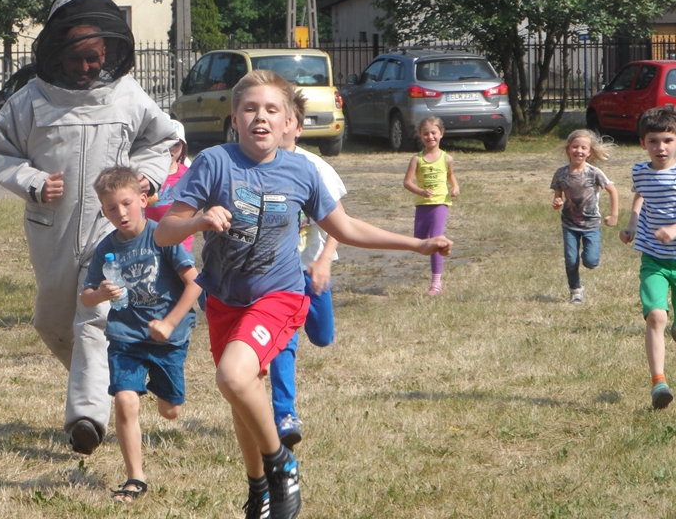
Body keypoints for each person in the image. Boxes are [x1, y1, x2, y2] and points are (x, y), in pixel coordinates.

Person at [154, 70, 452, 519]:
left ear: (290, 120)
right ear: (234, 118)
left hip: (279, 295)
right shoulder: (214, 162)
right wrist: (197, 221)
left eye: (272, 109)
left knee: (233, 377)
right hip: (224, 299)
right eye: (250, 108)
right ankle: (259, 489)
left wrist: (417, 244)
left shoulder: (303, 171)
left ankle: (281, 466)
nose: (261, 117)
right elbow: (163, 233)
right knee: (242, 395)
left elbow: (346, 228)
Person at [0, 0, 175, 455]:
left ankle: (86, 419)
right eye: (77, 59)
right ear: (57, 52)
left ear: (108, 50)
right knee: (52, 321)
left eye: (94, 58)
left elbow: (162, 142)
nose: (87, 68)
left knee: (93, 316)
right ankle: (115, 375)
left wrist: (147, 180)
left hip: (113, 230)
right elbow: (0, 150)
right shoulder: (29, 101)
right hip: (52, 230)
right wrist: (31, 180)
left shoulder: (129, 95)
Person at [80, 166, 201, 503]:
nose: (120, 213)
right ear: (103, 211)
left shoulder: (163, 236)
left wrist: (170, 323)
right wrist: (99, 294)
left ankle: (165, 393)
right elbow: (86, 296)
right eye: (111, 208)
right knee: (124, 399)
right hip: (126, 337)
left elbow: (195, 284)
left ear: (143, 200)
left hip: (168, 340)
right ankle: (135, 478)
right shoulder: (107, 249)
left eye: (126, 203)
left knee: (170, 410)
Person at [268, 90, 346, 449]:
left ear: (297, 128)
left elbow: (338, 223)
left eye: (288, 122)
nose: (279, 128)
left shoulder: (316, 169)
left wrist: (325, 259)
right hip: (278, 279)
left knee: (323, 336)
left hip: (311, 269)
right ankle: (284, 413)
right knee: (284, 343)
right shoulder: (258, 170)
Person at [620, 104, 676, 410]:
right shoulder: (640, 171)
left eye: (667, 141)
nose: (661, 147)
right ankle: (659, 382)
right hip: (653, 259)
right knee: (656, 315)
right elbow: (642, 193)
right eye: (654, 141)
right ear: (643, 143)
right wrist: (632, 222)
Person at [550, 129, 619, 304]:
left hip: (591, 224)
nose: (578, 150)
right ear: (568, 149)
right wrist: (557, 202)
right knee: (571, 260)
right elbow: (558, 197)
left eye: (583, 148)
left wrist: (614, 214)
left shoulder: (593, 172)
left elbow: (612, 190)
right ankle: (575, 291)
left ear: (589, 152)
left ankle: (589, 259)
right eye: (575, 146)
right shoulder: (560, 173)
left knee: (590, 261)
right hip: (569, 223)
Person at [403, 117, 460, 295]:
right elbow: (407, 182)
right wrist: (420, 192)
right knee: (419, 241)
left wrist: (455, 187)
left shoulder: (447, 158)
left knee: (435, 240)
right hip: (422, 205)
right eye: (425, 133)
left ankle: (436, 283)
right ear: (420, 136)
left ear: (441, 134)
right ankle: (437, 262)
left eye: (433, 133)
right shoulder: (416, 159)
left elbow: (451, 176)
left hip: (440, 204)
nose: (430, 136)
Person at [144, 120, 194, 251]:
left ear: (183, 146)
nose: (170, 149)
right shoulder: (146, 174)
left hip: (180, 242)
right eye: (166, 143)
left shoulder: (189, 174)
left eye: (176, 144)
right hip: (151, 240)